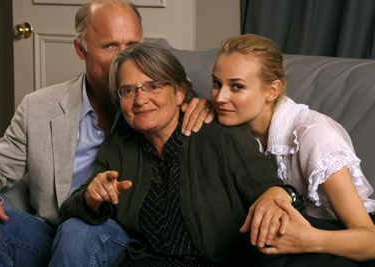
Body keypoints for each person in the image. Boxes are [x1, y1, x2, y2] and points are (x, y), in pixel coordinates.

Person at [0, 0, 213, 266]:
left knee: (79, 233)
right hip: (53, 229)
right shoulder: (39, 107)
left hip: (124, 237)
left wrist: (204, 103)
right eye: (110, 46)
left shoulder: (153, 104)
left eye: (132, 45)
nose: (123, 58)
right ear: (81, 49)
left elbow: (192, 91)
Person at [54, 42, 304, 266]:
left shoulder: (221, 135)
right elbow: (68, 211)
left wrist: (280, 195)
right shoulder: (120, 144)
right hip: (138, 261)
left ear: (180, 93)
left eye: (153, 86)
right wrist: (92, 197)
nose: (140, 100)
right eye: (128, 91)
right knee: (74, 230)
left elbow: (276, 194)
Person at [211, 34, 375, 264]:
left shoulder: (314, 136)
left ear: (272, 91)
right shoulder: (230, 124)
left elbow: (370, 240)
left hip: (340, 240)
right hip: (284, 234)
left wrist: (310, 239)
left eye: (237, 86)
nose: (220, 97)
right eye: (216, 84)